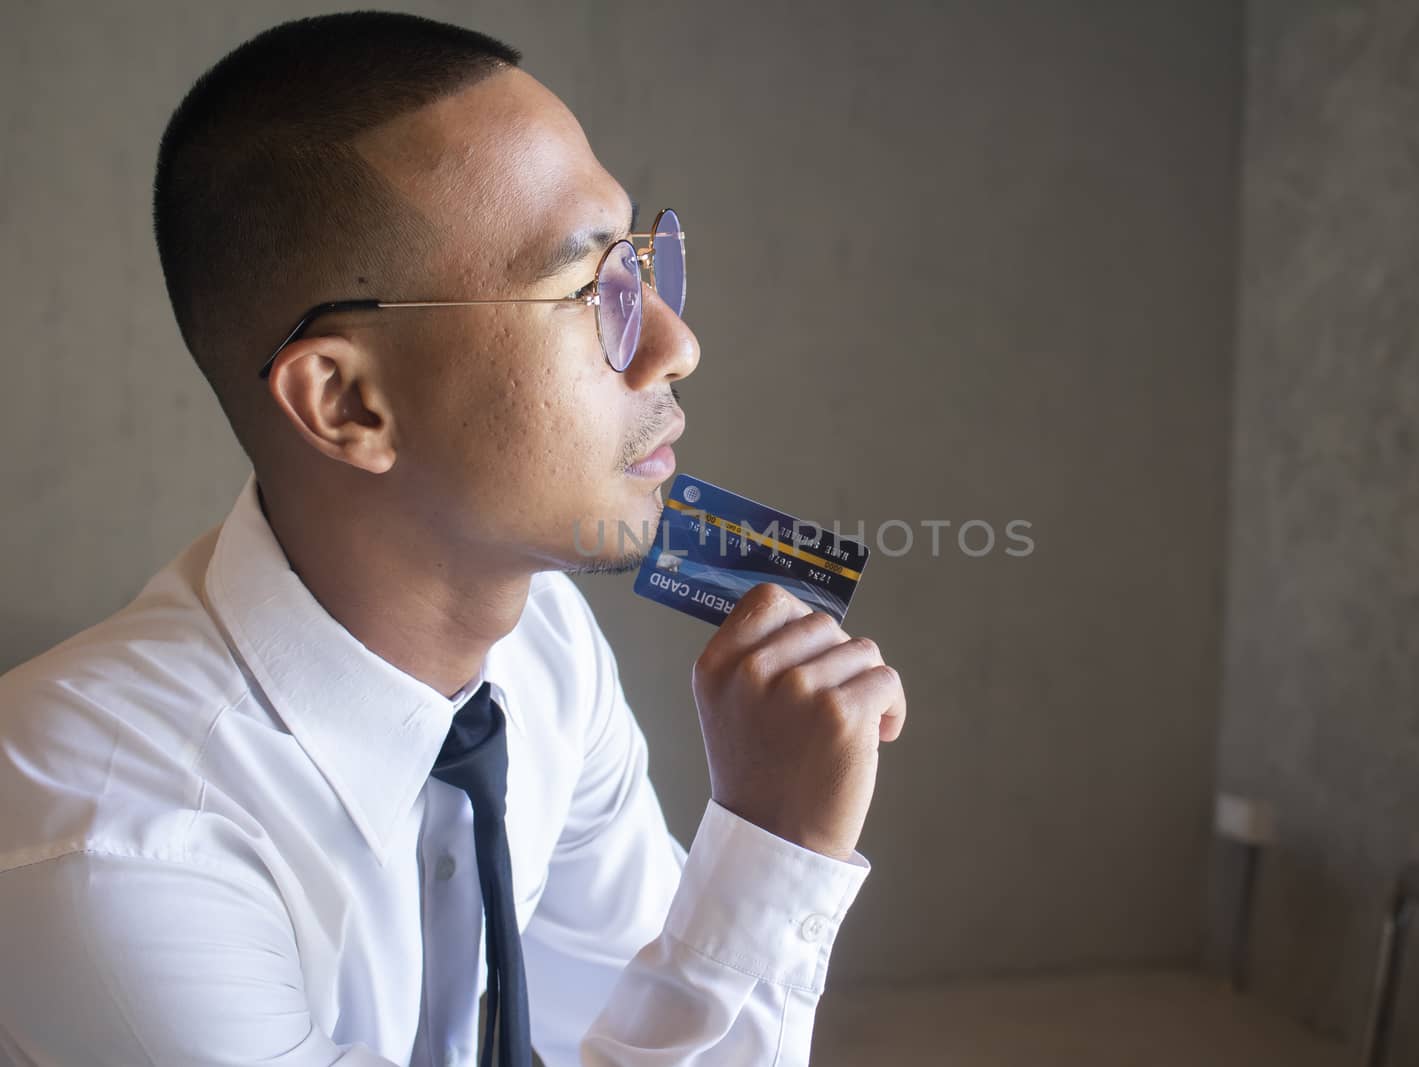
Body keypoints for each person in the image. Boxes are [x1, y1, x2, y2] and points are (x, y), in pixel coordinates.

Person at [0, 11, 906, 1066]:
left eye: (639, 260)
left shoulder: (544, 652)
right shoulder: (109, 843)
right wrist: (771, 850)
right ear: (347, 403)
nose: (674, 341)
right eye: (586, 291)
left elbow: (612, 1024)